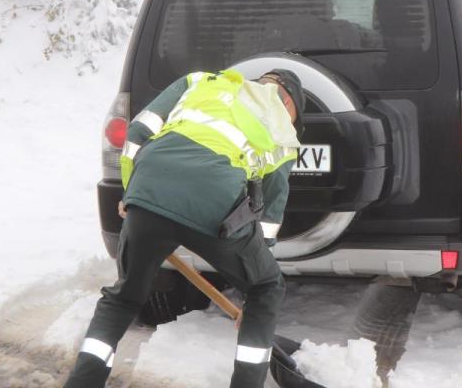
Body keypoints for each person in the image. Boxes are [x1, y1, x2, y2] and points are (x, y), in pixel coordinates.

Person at [64, 69, 304, 388]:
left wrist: (130, 191)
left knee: (124, 297)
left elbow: (138, 130)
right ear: (288, 102)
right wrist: (254, 284)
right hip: (215, 202)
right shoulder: (282, 126)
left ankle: (82, 383)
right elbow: (267, 220)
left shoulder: (201, 81)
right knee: (267, 288)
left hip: (148, 188)